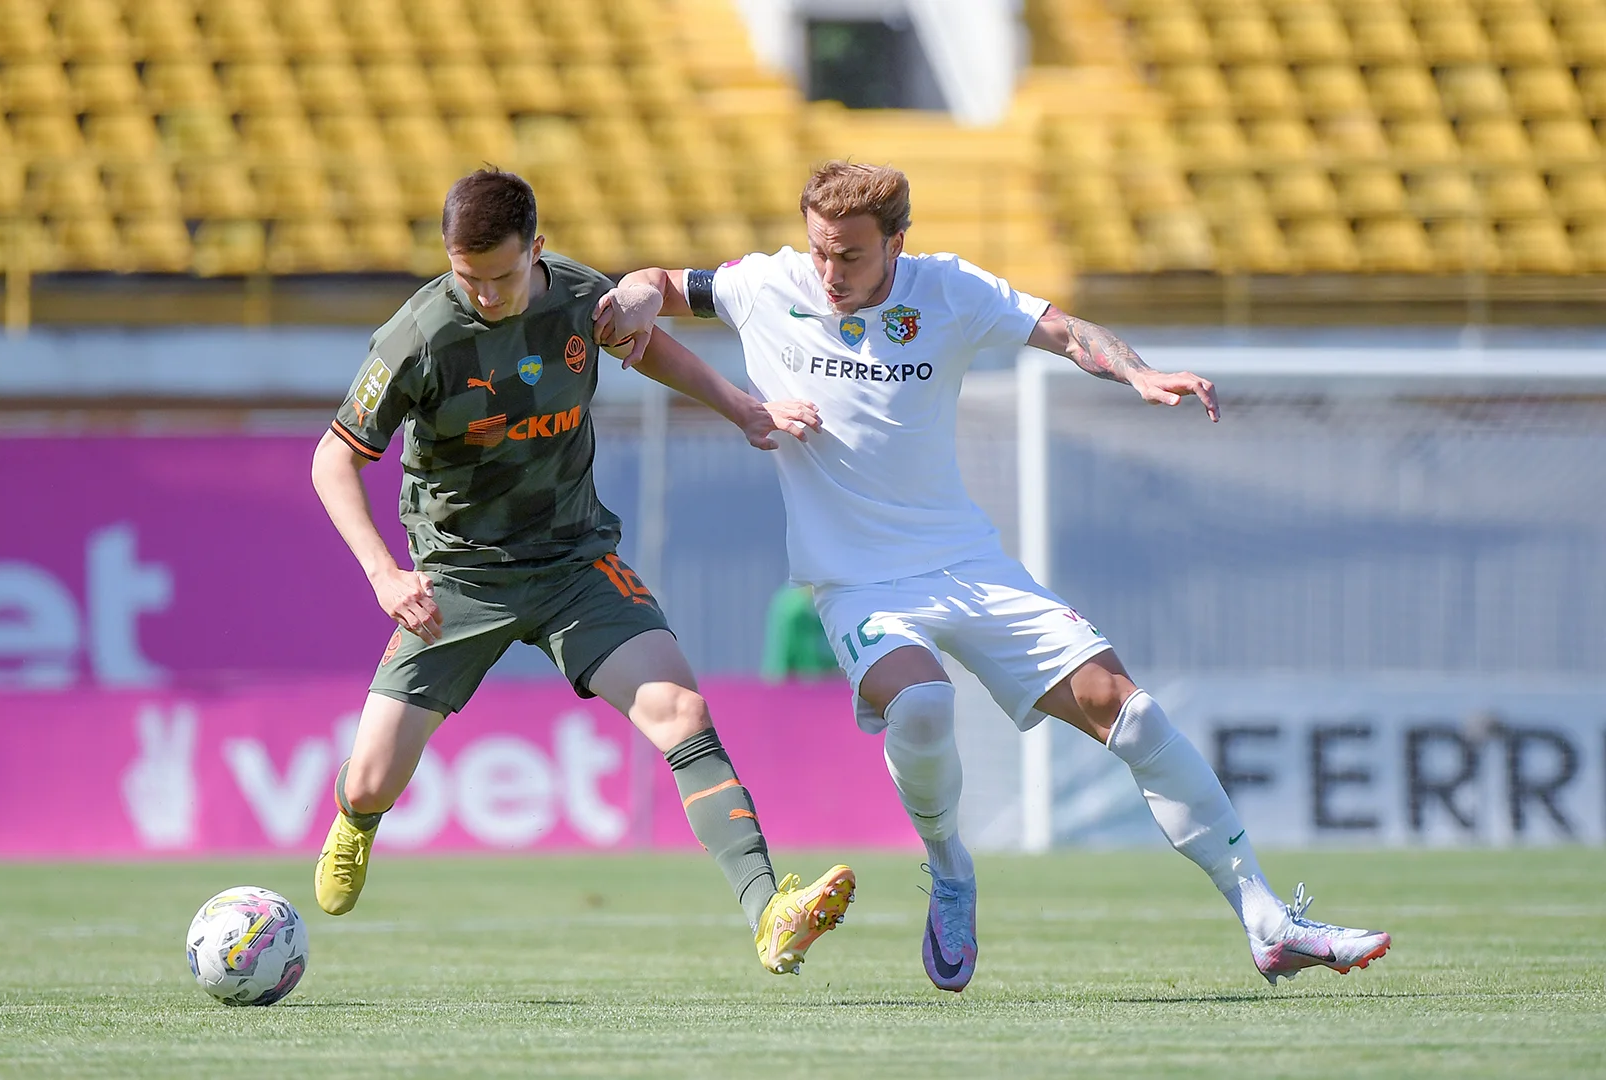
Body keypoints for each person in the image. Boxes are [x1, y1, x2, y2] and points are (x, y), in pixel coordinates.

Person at [595, 160, 1391, 992]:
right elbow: (659, 284)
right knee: (922, 705)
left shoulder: (949, 289)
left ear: (898, 242)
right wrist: (640, 295)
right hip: (858, 582)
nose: (830, 272)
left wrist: (1138, 371)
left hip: (969, 563)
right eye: (821, 250)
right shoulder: (767, 284)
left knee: (1133, 713)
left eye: (852, 255)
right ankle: (949, 868)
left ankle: (1267, 921)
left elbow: (1065, 331)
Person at [310, 168, 854, 976]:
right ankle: (355, 820)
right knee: (371, 780)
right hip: (457, 577)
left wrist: (742, 407)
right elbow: (332, 461)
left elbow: (650, 346)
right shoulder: (417, 337)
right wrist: (385, 575)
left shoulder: (579, 297)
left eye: (500, 276)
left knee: (681, 711)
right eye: (467, 277)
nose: (485, 295)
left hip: (574, 563)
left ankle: (768, 911)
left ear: (536, 247)